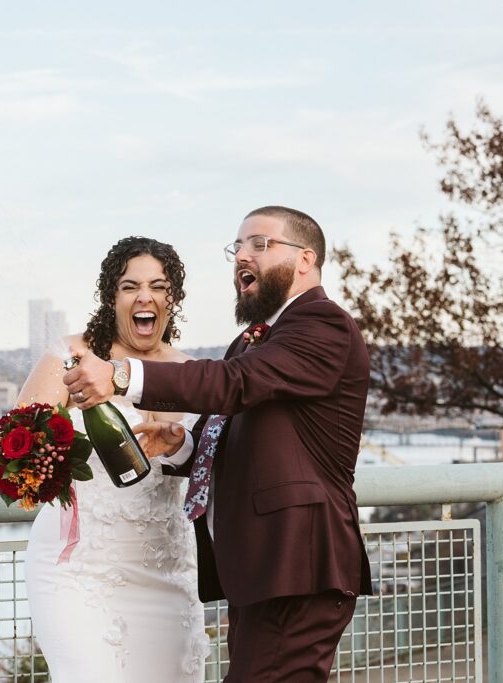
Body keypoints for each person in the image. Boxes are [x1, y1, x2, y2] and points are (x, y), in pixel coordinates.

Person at [64, 206, 373, 682]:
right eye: (237, 247)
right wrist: (180, 446)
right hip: (269, 567)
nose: (242, 257)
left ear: (306, 260)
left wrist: (121, 374)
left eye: (260, 244)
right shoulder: (255, 341)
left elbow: (233, 383)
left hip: (302, 560)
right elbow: (240, 432)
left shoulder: (322, 324)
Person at [21, 236, 210, 683]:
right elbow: (17, 449)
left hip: (168, 571)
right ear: (112, 296)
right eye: (130, 286)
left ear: (172, 299)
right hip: (79, 571)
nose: (145, 297)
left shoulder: (194, 373)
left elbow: (212, 467)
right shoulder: (73, 357)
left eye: (158, 287)